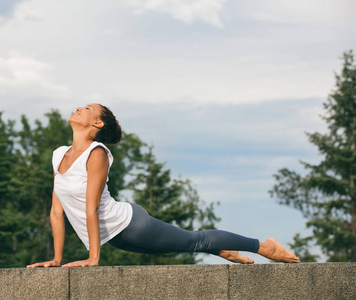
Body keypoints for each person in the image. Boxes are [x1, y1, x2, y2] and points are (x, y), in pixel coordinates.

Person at [27, 104, 300, 268]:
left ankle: (265, 246)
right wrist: (57, 258)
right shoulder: (58, 155)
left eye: (87, 108)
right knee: (182, 245)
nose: (79, 107)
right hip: (115, 236)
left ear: (97, 123)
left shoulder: (96, 153)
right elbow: (55, 211)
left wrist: (93, 258)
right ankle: (220, 248)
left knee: (195, 239)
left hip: (130, 225)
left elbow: (91, 206)